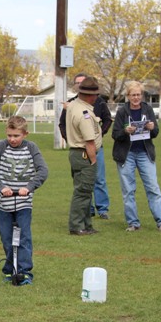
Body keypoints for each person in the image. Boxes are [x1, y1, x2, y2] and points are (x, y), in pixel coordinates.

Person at [0, 116, 49, 285]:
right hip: (3, 203)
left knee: (24, 238)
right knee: (7, 238)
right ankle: (10, 269)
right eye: (9, 135)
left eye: (16, 136)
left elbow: (43, 170)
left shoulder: (31, 148)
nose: (12, 139)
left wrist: (29, 187)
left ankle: (24, 270)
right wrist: (0, 186)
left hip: (23, 202)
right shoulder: (1, 146)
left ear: (25, 134)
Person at [111, 81, 161, 232]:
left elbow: (155, 133)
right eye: (133, 95)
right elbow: (114, 134)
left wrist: (152, 127)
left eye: (138, 94)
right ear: (128, 96)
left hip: (144, 153)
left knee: (153, 187)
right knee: (128, 190)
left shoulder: (147, 109)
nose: (136, 97)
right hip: (126, 154)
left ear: (142, 95)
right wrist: (125, 131)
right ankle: (133, 223)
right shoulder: (122, 111)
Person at [59, 73, 113, 219]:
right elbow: (64, 125)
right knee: (84, 186)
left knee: (96, 181)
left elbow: (108, 120)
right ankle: (81, 217)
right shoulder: (80, 109)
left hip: (85, 148)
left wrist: (100, 134)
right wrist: (71, 138)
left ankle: (100, 210)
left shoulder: (88, 104)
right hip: (86, 151)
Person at [65, 76, 102, 235]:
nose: (97, 97)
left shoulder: (73, 105)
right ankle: (77, 225)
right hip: (85, 154)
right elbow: (89, 142)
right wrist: (93, 161)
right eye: (96, 95)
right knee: (83, 191)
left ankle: (86, 224)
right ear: (90, 95)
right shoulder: (84, 113)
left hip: (76, 154)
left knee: (85, 191)